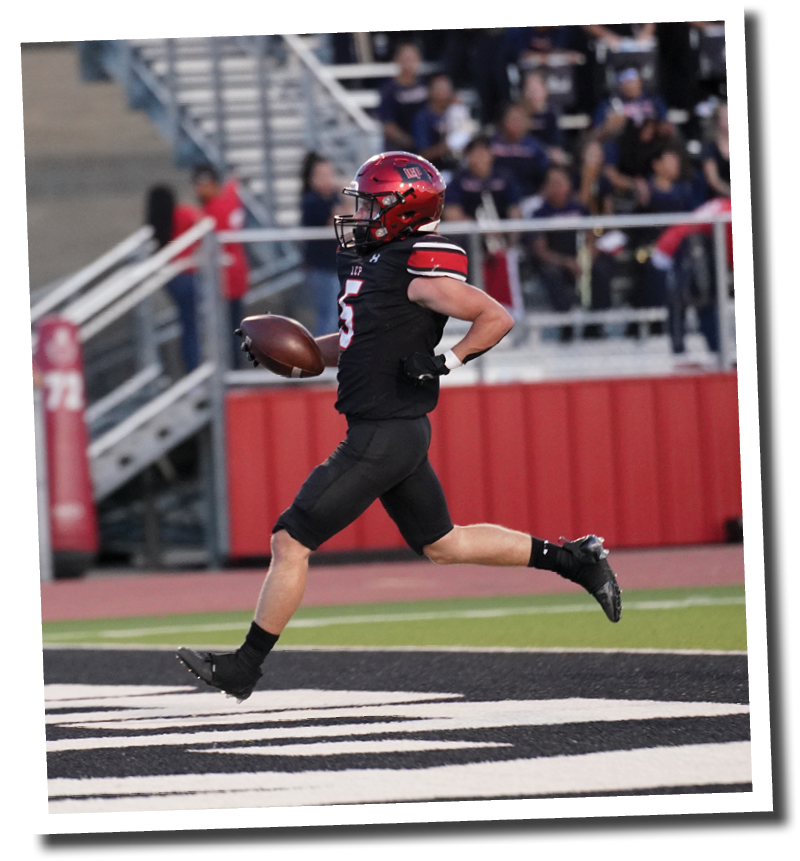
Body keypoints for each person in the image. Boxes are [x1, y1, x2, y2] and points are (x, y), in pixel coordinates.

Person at [177, 151, 621, 701]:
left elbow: (495, 316)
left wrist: (447, 360)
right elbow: (353, 341)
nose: (360, 215)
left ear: (403, 209)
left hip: (382, 434)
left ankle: (245, 667)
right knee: (444, 544)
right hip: (395, 431)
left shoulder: (417, 267)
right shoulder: (377, 263)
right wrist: (295, 355)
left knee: (290, 540)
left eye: (371, 204)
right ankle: (575, 560)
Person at [191, 163, 250, 367]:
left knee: (226, 330)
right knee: (235, 326)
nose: (197, 190)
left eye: (200, 185)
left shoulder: (211, 212)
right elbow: (233, 186)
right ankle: (236, 371)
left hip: (224, 279)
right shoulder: (230, 199)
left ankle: (232, 373)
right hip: (237, 272)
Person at [144, 185, 202, 373]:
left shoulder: (155, 221)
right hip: (186, 273)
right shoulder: (182, 213)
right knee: (192, 328)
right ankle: (195, 371)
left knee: (187, 326)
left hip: (171, 278)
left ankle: (191, 372)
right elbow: (204, 225)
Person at [299, 152, 346, 336]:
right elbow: (338, 220)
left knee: (336, 316)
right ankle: (321, 359)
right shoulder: (312, 200)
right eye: (322, 176)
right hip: (320, 268)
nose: (328, 180)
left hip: (334, 266)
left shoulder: (333, 198)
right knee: (328, 317)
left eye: (330, 174)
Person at [376, 42, 429, 151]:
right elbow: (388, 127)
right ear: (397, 60)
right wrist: (413, 145)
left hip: (427, 146)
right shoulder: (388, 89)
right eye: (406, 59)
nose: (410, 63)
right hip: (400, 149)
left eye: (413, 59)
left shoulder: (427, 85)